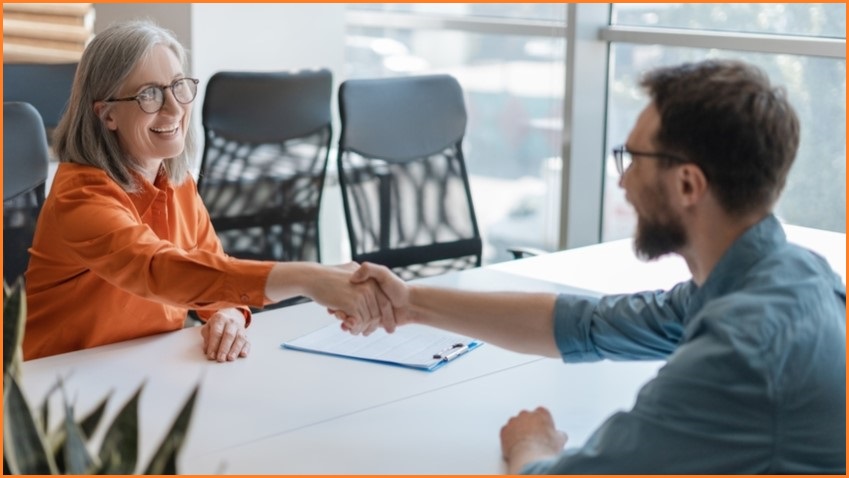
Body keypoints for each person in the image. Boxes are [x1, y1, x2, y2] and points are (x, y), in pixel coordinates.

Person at [340, 59, 846, 473]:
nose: (623, 184)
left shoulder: (743, 350)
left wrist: (531, 444)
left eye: (634, 160)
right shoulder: (779, 275)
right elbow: (586, 325)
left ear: (689, 185)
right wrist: (411, 304)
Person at [23, 20, 393, 362]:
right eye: (149, 95)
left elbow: (212, 275)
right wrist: (310, 278)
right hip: (56, 387)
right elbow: (158, 269)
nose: (173, 108)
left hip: (143, 368)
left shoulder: (177, 182)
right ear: (107, 115)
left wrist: (228, 315)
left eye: (178, 87)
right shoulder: (80, 197)